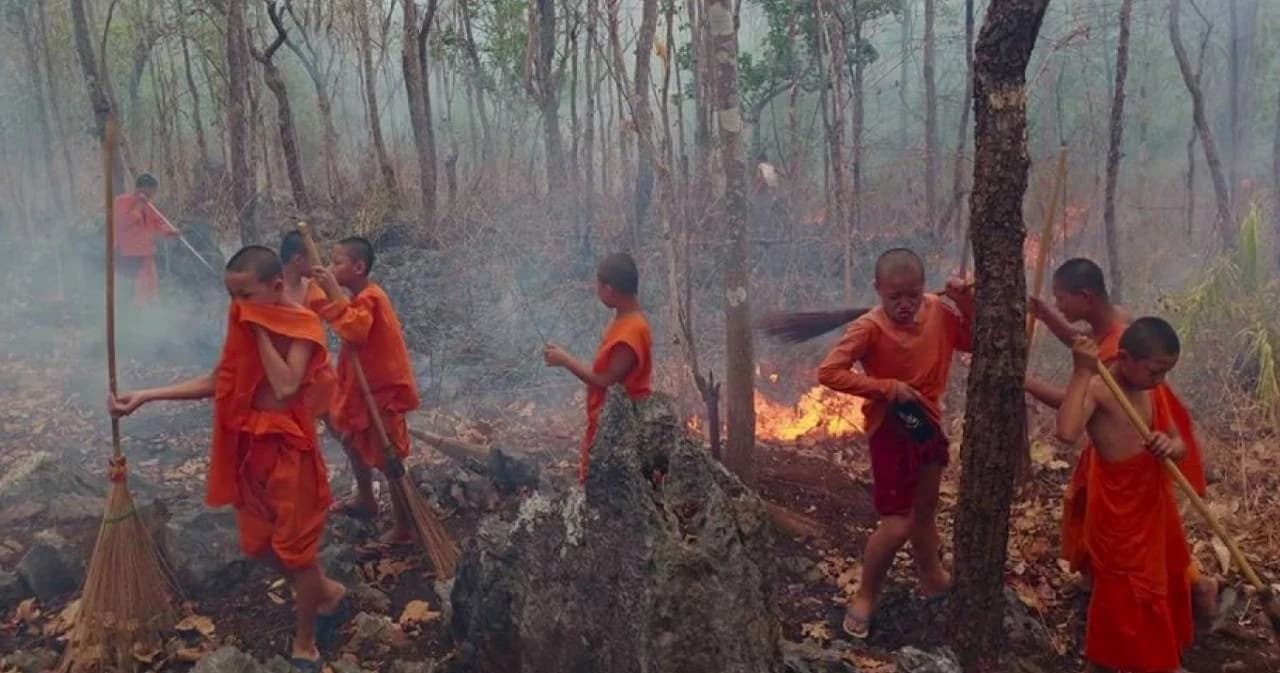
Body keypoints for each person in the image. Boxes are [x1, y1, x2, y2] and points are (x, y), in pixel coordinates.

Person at [108, 246, 347, 669]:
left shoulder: (304, 322)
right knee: (257, 545)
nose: (236, 305)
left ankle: (306, 641)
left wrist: (258, 328)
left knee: (297, 553)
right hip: (249, 450)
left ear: (276, 286)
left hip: (291, 452)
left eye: (244, 294)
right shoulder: (244, 317)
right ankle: (327, 593)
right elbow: (220, 378)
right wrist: (146, 395)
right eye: (230, 295)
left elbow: (288, 384)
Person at [1024, 258, 1215, 622]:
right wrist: (1049, 316)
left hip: (1136, 456)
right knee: (1135, 536)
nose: (1059, 304)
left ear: (1086, 296)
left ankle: (1191, 590)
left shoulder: (1124, 362)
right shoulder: (1117, 325)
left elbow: (1077, 399)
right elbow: (1084, 346)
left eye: (1061, 298)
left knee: (1149, 542)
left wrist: (1024, 380)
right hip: (1119, 459)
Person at [816, 248, 973, 639]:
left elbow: (972, 341)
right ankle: (866, 595)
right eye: (894, 297)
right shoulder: (868, 328)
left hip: (929, 424)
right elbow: (829, 372)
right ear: (878, 291)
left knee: (925, 510)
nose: (904, 305)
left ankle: (932, 578)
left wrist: (966, 301)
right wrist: (887, 387)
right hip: (890, 430)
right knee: (898, 522)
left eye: (912, 295)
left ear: (923, 288)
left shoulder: (939, 310)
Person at [1053, 319, 1194, 673]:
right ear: (1127, 357)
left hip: (1152, 510)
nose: (1160, 379)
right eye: (1155, 370)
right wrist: (1081, 372)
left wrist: (1169, 445)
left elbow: (1180, 444)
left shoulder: (1152, 389)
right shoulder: (1101, 390)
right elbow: (1067, 432)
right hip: (1119, 518)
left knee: (1156, 588)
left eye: (1166, 371)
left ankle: (1135, 659)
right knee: (1127, 595)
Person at [309, 237, 421, 544]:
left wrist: (331, 289)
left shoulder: (372, 297)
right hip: (362, 391)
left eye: (337, 263)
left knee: (390, 458)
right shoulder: (356, 299)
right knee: (351, 440)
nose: (333, 269)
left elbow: (355, 330)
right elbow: (330, 310)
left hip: (384, 394)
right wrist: (317, 287)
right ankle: (366, 499)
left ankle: (404, 526)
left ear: (359, 267)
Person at [544, 252, 653, 484]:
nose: (597, 291)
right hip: (605, 421)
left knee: (605, 486)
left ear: (610, 289)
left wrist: (565, 360)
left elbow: (605, 380)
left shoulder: (632, 330)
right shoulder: (622, 319)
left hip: (619, 427)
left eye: (598, 285)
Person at [114, 172, 179, 306]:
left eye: (153, 192)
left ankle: (149, 315)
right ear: (141, 189)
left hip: (146, 254)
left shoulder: (149, 206)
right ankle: (131, 315)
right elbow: (123, 222)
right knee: (129, 291)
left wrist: (170, 231)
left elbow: (158, 222)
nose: (151, 195)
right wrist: (139, 206)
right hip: (127, 255)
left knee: (150, 291)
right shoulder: (122, 201)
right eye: (150, 192)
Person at [280, 230, 329, 310]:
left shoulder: (316, 289)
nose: (320, 264)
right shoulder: (271, 292)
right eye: (315, 258)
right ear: (298, 260)